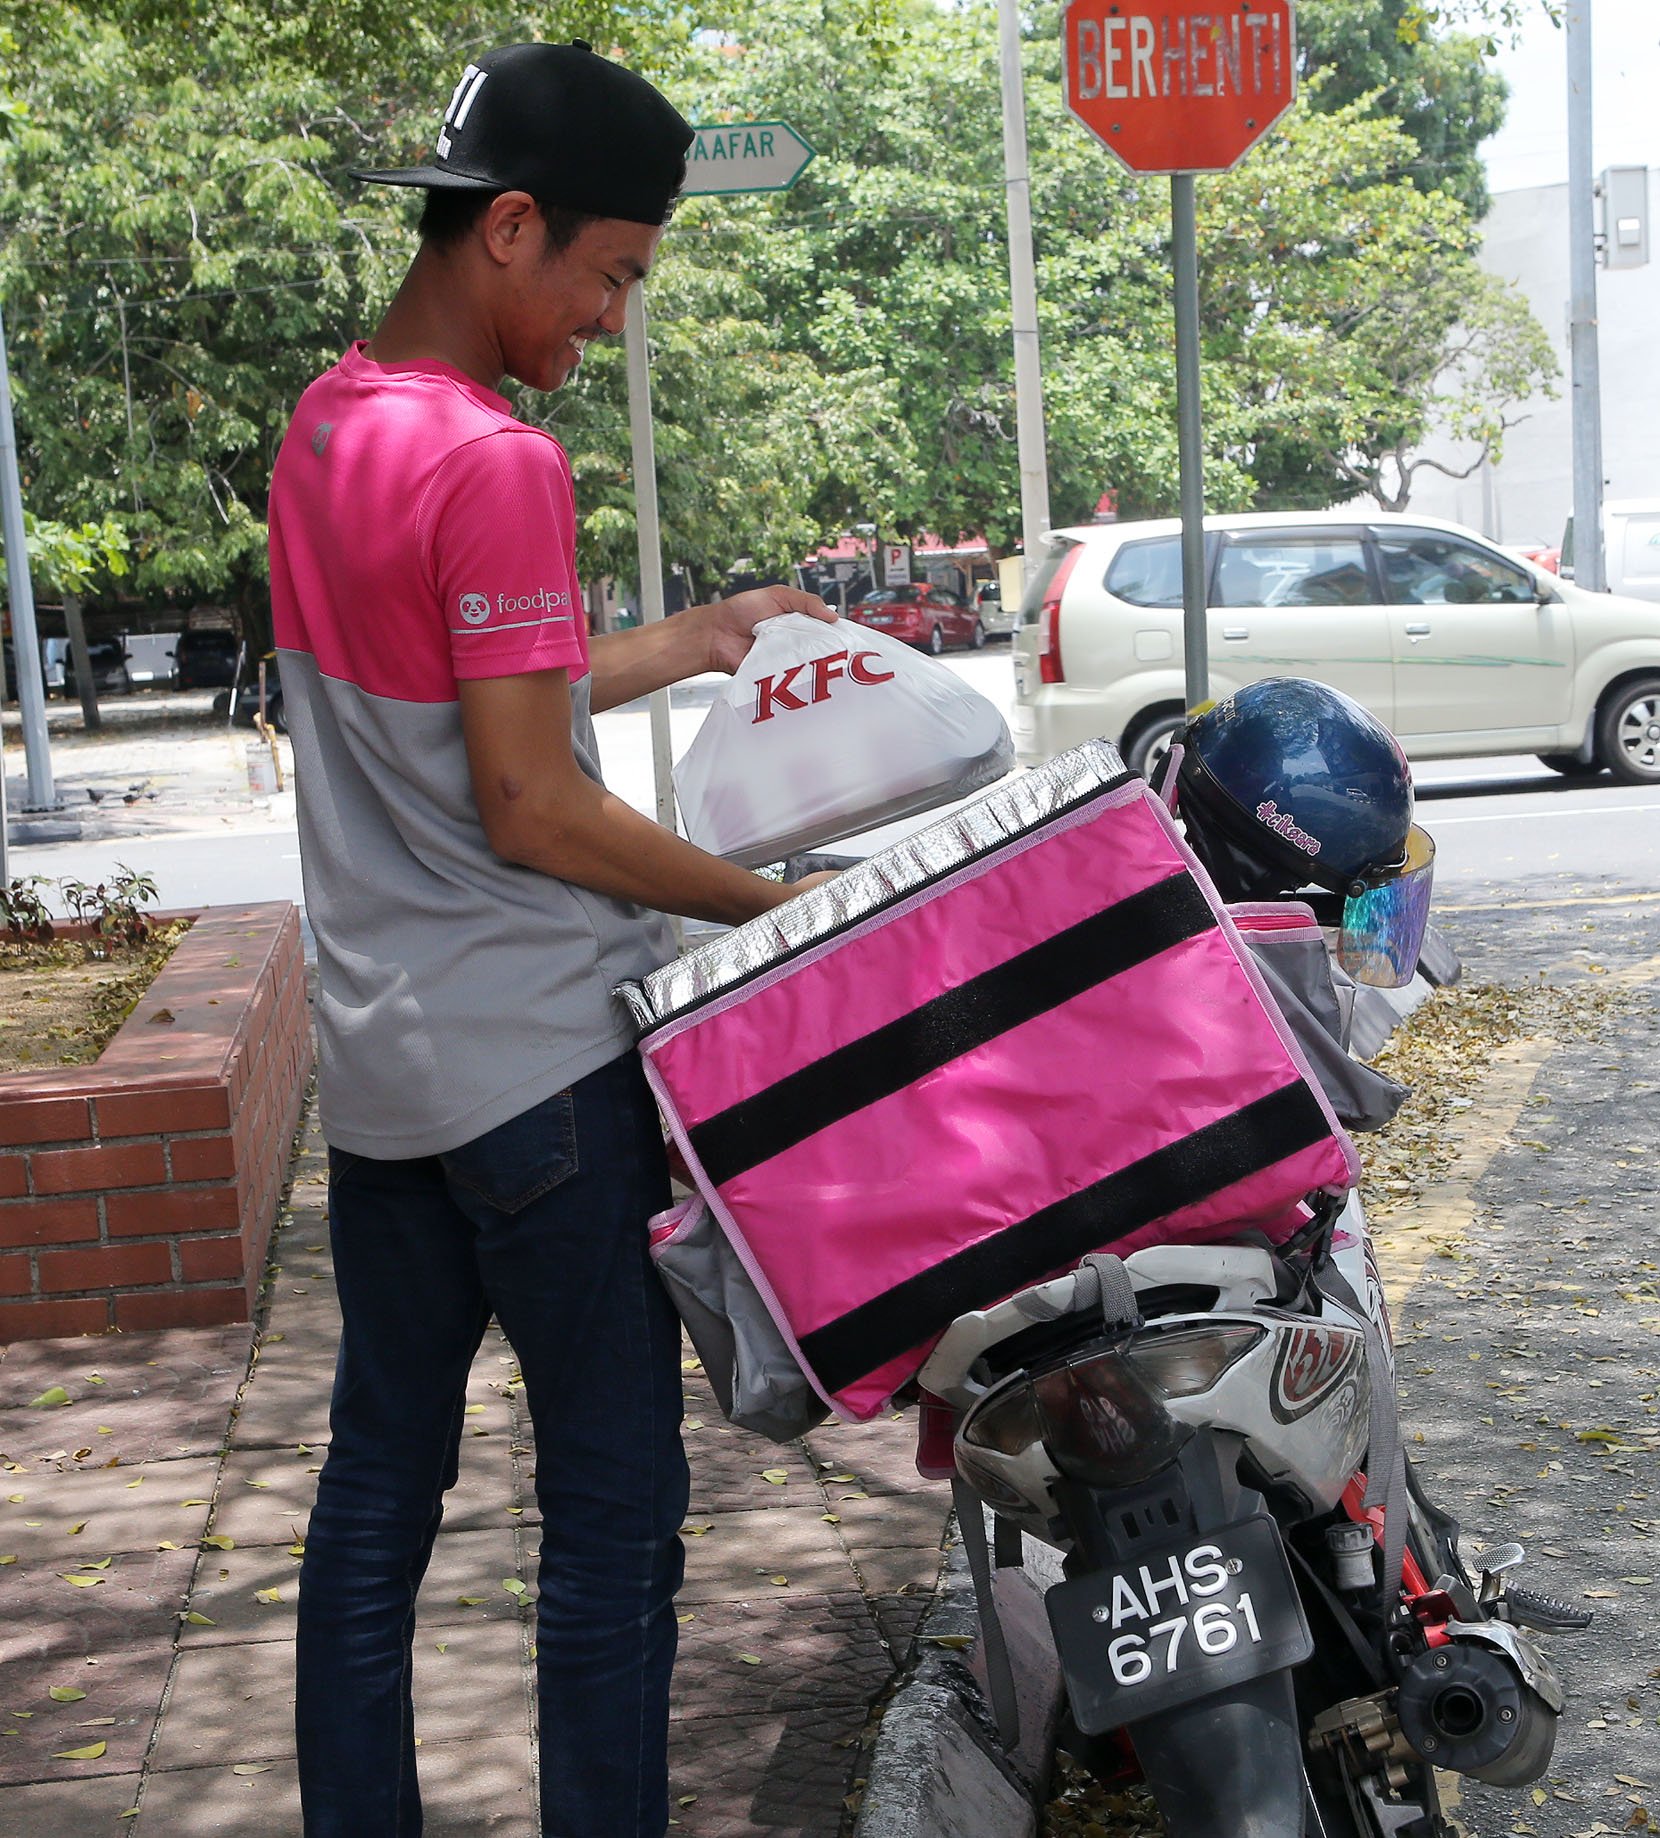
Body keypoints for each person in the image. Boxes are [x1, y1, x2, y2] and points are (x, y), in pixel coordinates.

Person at [266, 41, 837, 1838]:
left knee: (378, 1496)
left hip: (383, 1081)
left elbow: (465, 709)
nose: (606, 321)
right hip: (535, 1076)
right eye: (608, 275)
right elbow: (531, 804)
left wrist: (695, 637)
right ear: (509, 228)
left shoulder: (330, 426)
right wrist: (781, 908)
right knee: (607, 1514)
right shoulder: (500, 458)